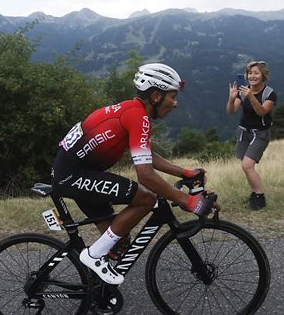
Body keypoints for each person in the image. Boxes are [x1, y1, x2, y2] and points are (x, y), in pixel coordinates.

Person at [51, 63, 218, 285]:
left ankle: (94, 289)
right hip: (72, 176)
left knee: (119, 239)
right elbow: (146, 176)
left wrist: (185, 172)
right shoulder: (137, 116)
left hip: (77, 172)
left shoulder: (133, 111)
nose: (175, 103)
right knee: (146, 198)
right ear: (156, 96)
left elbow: (145, 153)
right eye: (172, 96)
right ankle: (92, 257)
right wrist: (188, 201)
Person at [226, 61, 277, 210]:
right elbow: (230, 111)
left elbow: (262, 112)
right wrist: (231, 98)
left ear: (263, 75)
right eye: (250, 73)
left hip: (260, 133)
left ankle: (260, 198)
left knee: (247, 165)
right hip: (244, 132)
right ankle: (255, 194)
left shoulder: (269, 94)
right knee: (246, 166)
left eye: (256, 73)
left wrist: (251, 97)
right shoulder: (243, 90)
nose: (252, 76)